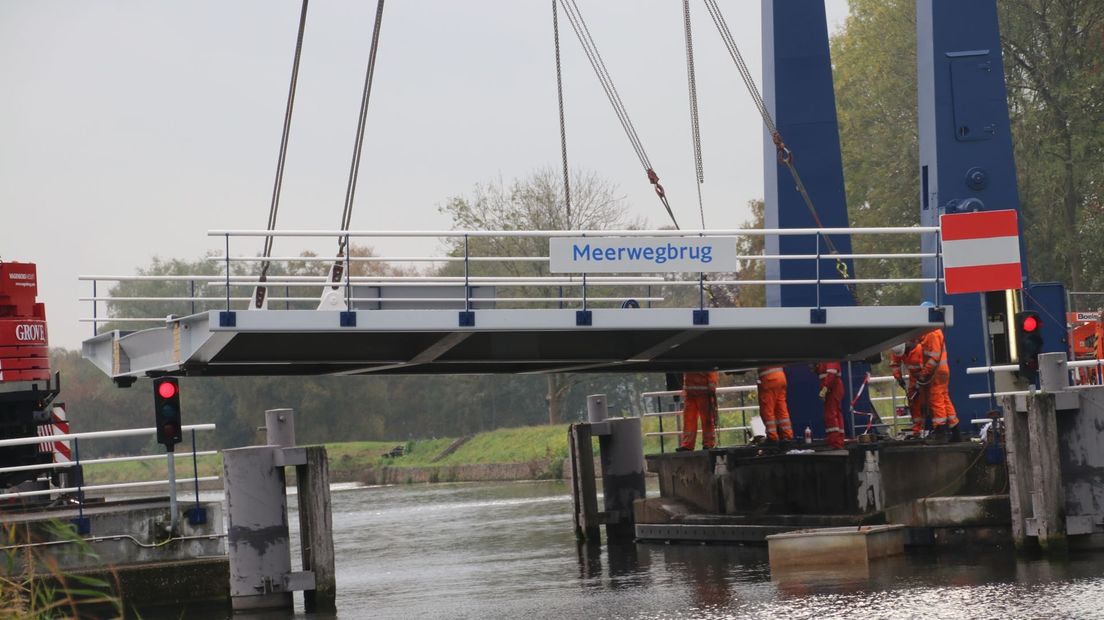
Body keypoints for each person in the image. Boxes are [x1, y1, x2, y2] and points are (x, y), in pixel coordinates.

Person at [917, 321, 960, 440]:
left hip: (937, 372)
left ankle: (939, 430)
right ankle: (955, 429)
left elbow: (934, 357)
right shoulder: (934, 332)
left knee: (936, 399)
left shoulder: (931, 333)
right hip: (941, 371)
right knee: (944, 398)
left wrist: (923, 373)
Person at [890, 341, 926, 438]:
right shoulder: (897, 349)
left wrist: (920, 383)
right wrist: (899, 378)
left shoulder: (919, 349)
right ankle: (917, 430)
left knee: (925, 403)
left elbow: (927, 368)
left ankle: (927, 428)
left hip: (925, 379)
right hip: (914, 379)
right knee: (913, 403)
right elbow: (895, 364)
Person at [678, 371, 718, 451]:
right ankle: (688, 445)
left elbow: (712, 371)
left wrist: (711, 389)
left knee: (706, 421)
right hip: (691, 394)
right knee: (689, 421)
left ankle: (708, 444)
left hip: (703, 393)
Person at [757, 366, 793, 443]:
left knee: (767, 411)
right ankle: (788, 436)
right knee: (781, 409)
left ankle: (772, 437)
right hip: (781, 377)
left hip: (769, 379)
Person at [815, 361, 845, 449]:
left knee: (831, 415)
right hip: (832, 388)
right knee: (835, 414)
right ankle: (838, 441)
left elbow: (831, 374)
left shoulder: (830, 358)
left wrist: (825, 388)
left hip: (832, 388)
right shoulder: (828, 357)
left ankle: (835, 442)